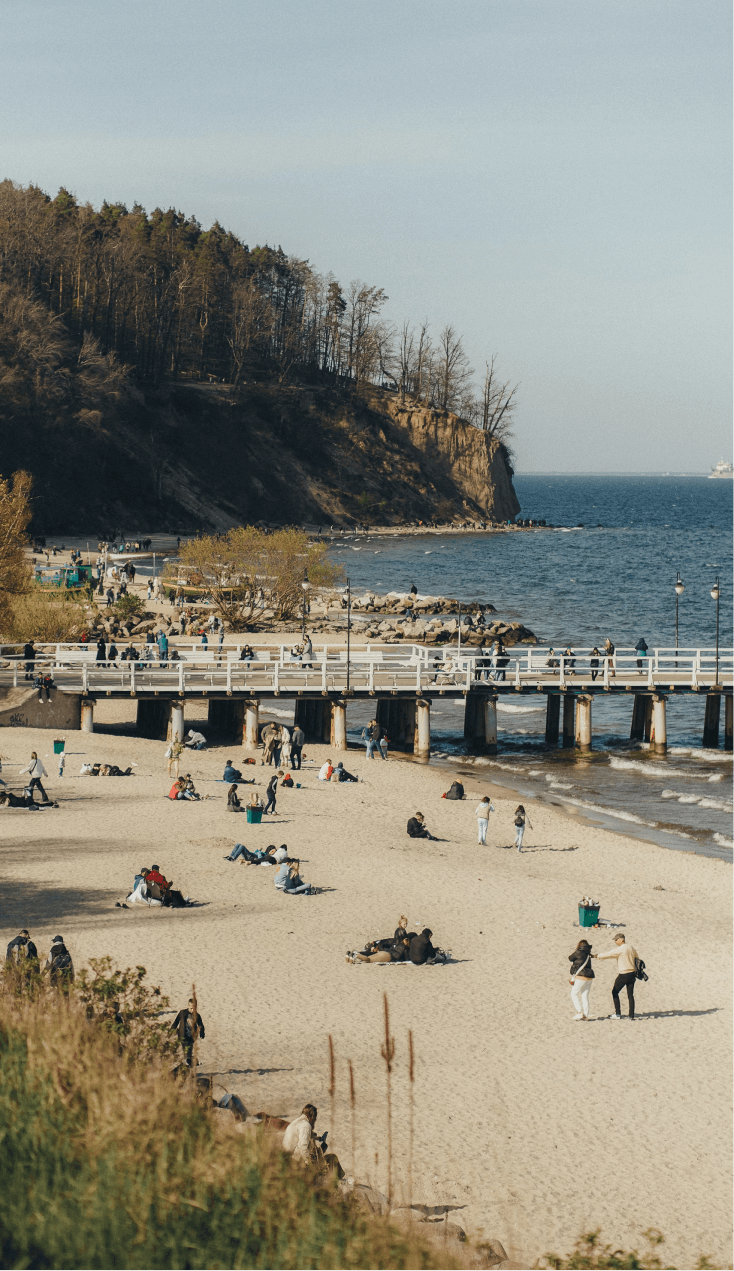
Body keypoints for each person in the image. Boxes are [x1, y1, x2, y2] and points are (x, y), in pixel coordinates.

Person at [594, 933, 640, 1020]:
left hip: (624, 974)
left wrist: (597, 956)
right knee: (630, 995)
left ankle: (618, 1013)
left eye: (616, 939)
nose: (615, 941)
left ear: (621, 939)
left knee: (614, 992)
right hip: (632, 974)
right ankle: (631, 1015)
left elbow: (609, 954)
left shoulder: (621, 949)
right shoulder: (631, 947)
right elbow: (637, 958)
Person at [170, 999, 205, 1067]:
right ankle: (189, 1063)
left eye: (194, 1008)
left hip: (191, 1038)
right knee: (185, 1052)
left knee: (189, 1053)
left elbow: (201, 1025)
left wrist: (202, 1033)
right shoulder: (182, 1013)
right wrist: (171, 1031)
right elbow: (176, 1022)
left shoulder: (197, 1016)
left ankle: (192, 1063)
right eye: (191, 1008)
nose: (193, 1010)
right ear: (188, 1006)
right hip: (182, 1036)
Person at [568, 939, 594, 1020]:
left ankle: (579, 1012)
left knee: (573, 994)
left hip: (581, 976)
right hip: (590, 976)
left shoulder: (578, 952)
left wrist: (576, 950)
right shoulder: (588, 954)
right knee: (585, 995)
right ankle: (586, 1014)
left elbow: (570, 958)